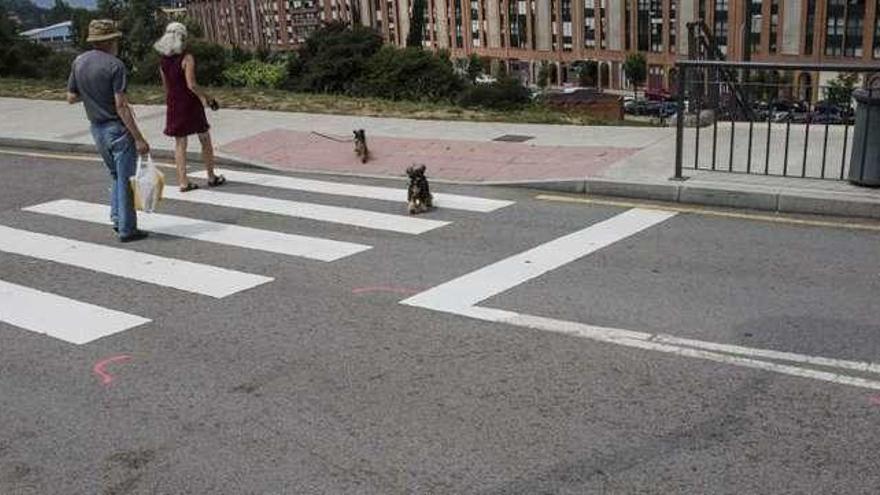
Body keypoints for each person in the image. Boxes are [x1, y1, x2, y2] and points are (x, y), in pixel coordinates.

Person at [67, 19, 149, 243]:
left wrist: (92, 93)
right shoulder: (115, 65)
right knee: (126, 179)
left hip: (96, 128)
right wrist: (139, 138)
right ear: (110, 41)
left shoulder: (79, 62)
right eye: (115, 39)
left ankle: (116, 216)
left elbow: (71, 97)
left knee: (115, 175)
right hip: (117, 129)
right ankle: (127, 228)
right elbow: (121, 106)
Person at [154, 22, 225, 192]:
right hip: (189, 103)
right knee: (204, 138)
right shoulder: (187, 58)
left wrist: (170, 101)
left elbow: (166, 87)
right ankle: (211, 176)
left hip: (174, 102)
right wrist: (207, 98)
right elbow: (191, 84)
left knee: (180, 143)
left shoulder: (163, 61)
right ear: (182, 38)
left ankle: (183, 181)